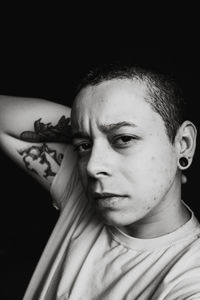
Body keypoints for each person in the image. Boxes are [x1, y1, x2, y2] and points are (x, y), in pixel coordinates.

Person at [0, 62, 200, 299]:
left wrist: (93, 129)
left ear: (183, 143)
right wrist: (92, 125)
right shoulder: (84, 192)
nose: (94, 167)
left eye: (124, 139)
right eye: (84, 146)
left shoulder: (189, 279)